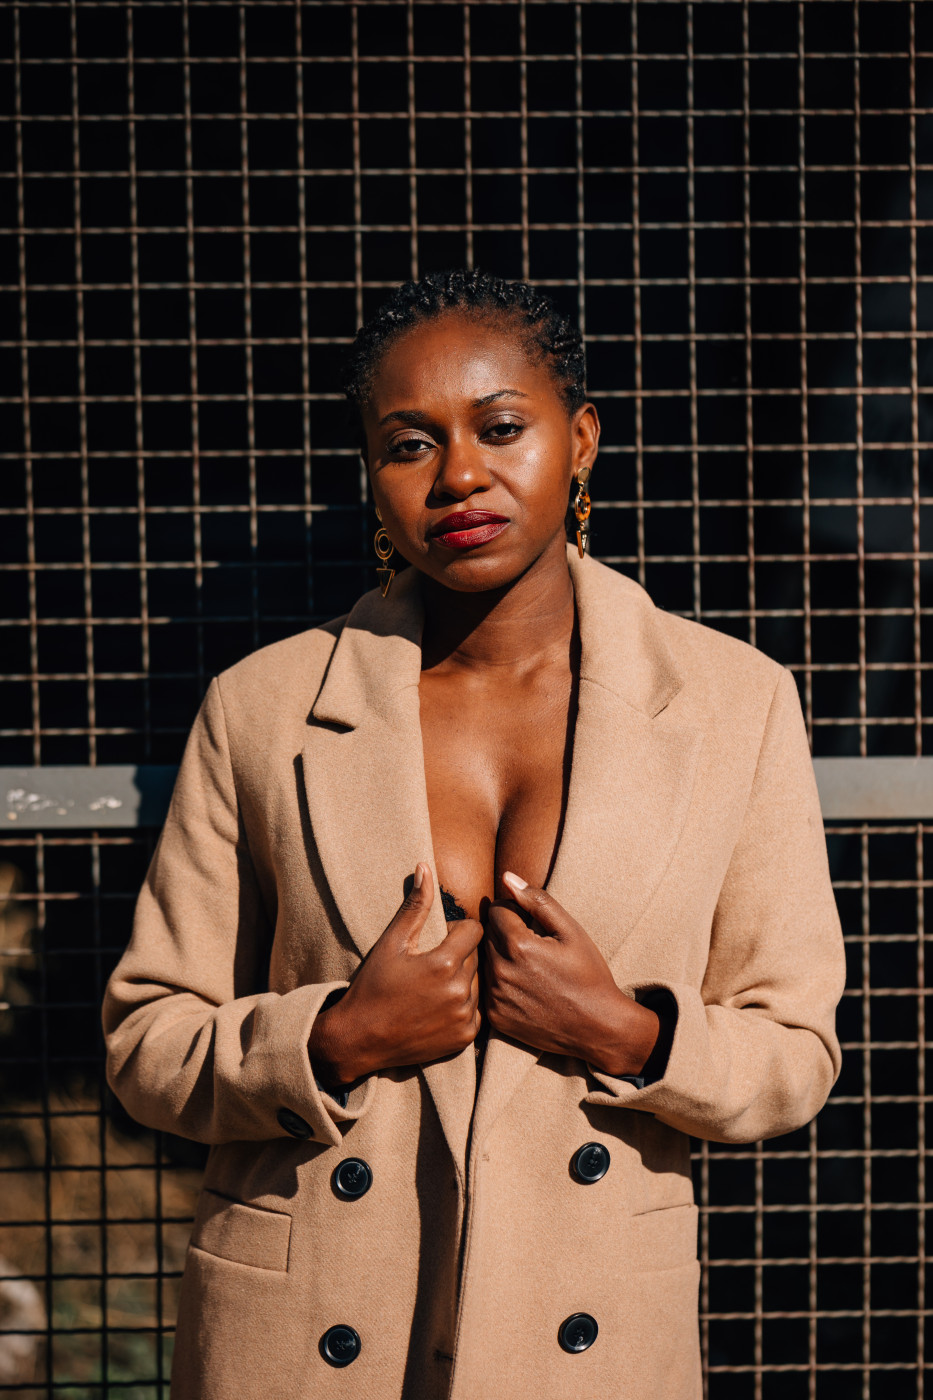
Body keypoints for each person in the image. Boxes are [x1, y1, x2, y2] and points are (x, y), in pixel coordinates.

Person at [103, 269, 845, 1400]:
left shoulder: (733, 703)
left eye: (501, 428)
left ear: (580, 440)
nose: (457, 474)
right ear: (371, 472)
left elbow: (794, 1052)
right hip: (310, 1331)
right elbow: (146, 1041)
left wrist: (628, 1032)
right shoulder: (264, 706)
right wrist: (335, 1039)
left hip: (586, 1334)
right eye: (409, 444)